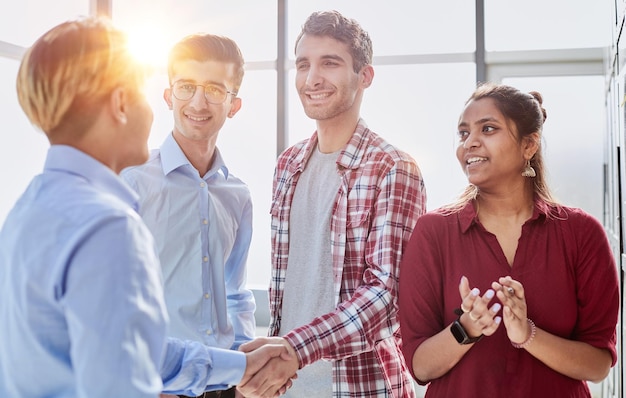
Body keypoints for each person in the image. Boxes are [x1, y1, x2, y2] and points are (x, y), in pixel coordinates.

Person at [0, 16, 290, 398]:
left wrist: (240, 366)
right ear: (122, 104)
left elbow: (129, 343)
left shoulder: (28, 209)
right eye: (142, 93)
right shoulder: (107, 223)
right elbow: (121, 378)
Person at [238, 10, 426, 398]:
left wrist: (295, 348)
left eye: (330, 63)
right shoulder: (288, 164)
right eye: (303, 64)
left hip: (362, 388)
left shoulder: (392, 167)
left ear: (365, 76)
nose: (312, 79)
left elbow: (386, 296)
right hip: (287, 388)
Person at [398, 82, 619, 397]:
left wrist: (528, 334)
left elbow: (597, 364)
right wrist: (467, 329)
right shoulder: (432, 232)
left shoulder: (582, 233)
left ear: (529, 145)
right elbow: (419, 366)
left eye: (487, 129)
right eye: (463, 134)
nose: (469, 143)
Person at [121, 33, 256, 398]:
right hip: (158, 384)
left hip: (225, 382)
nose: (198, 102)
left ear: (234, 104)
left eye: (215, 89)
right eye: (186, 87)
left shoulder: (238, 196)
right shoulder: (130, 180)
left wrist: (244, 366)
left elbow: (235, 291)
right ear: (168, 96)